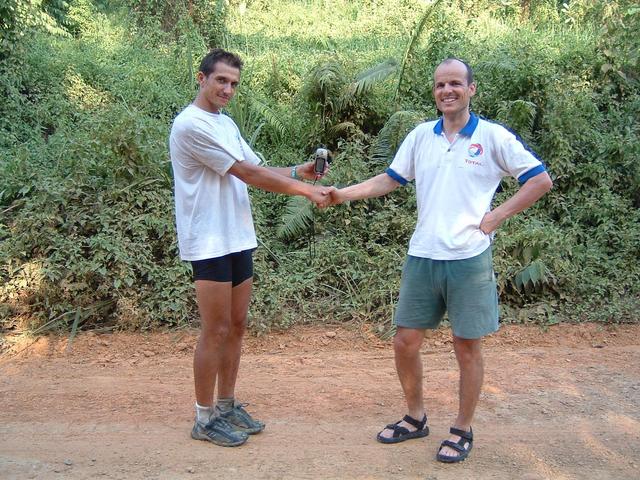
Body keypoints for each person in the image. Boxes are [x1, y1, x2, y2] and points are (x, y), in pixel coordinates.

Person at [329, 58, 552, 463]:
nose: (446, 91)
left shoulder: (493, 137)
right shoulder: (420, 137)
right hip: (423, 255)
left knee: (466, 346)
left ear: (471, 89)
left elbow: (539, 179)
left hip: (468, 258)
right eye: (439, 85)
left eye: (454, 84)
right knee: (405, 341)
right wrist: (342, 193)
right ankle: (415, 417)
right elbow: (389, 180)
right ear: (434, 92)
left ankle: (462, 429)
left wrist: (497, 216)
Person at [169, 48, 333, 447]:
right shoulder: (190, 125)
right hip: (208, 239)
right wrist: (306, 190)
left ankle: (226, 404)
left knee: (237, 326)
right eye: (221, 80)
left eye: (234, 83)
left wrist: (299, 171)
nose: (227, 89)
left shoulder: (226, 124)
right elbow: (245, 173)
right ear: (201, 78)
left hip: (237, 235)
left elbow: (257, 167)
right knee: (216, 329)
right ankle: (203, 417)